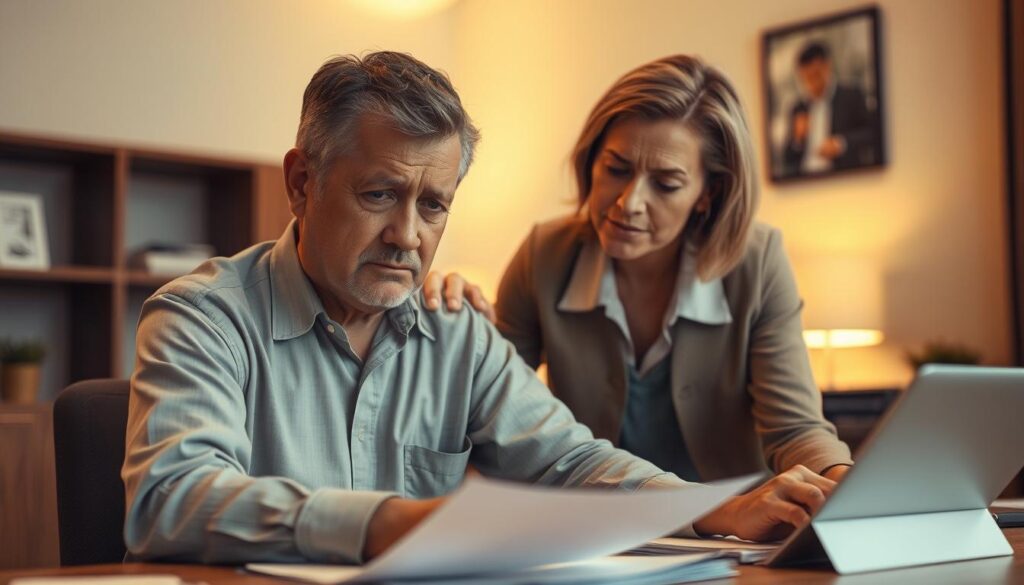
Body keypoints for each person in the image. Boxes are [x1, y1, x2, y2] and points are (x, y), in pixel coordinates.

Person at [123, 51, 838, 566]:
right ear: (302, 182)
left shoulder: (457, 331)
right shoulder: (201, 318)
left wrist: (705, 505)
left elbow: (569, 458)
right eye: (379, 194)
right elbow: (172, 497)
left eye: (433, 205)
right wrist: (389, 522)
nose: (408, 235)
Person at [426, 54, 853, 486]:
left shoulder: (758, 263)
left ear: (709, 193)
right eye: (616, 169)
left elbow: (795, 430)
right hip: (596, 529)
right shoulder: (544, 256)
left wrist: (845, 485)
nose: (628, 203)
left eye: (666, 184)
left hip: (735, 531)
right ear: (591, 161)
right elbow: (490, 414)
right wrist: (457, 324)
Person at [782, 42, 877, 176]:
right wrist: (797, 139)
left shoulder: (851, 95)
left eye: (815, 75)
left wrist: (841, 144)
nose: (811, 83)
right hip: (805, 181)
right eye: (806, 78)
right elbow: (787, 158)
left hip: (843, 177)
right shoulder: (798, 108)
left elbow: (871, 133)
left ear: (827, 66)